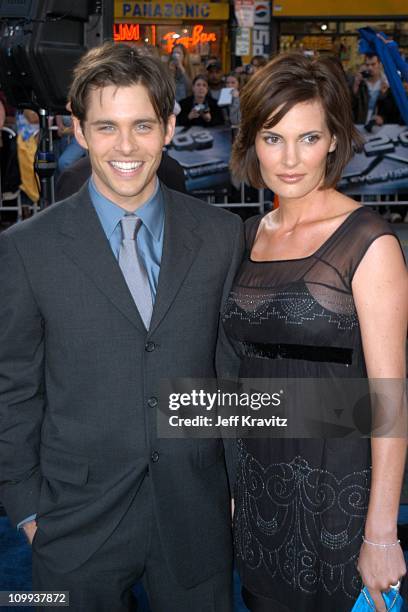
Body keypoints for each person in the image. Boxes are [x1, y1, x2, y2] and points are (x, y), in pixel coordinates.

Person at [0, 42, 244, 612]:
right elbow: (13, 389)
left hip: (196, 514)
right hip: (71, 526)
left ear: (169, 127)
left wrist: (234, 486)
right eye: (106, 127)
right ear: (79, 132)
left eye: (142, 125)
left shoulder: (222, 235)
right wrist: (29, 509)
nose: (126, 146)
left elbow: (228, 374)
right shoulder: (24, 249)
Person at [223, 52, 407, 612]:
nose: (290, 159)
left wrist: (381, 533)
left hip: (339, 490)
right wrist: (232, 485)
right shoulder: (247, 235)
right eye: (273, 138)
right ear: (252, 141)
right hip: (257, 489)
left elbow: (390, 401)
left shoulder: (369, 243)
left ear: (334, 140)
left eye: (308, 138)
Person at [351, 53, 389, 125]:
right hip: (360, 124)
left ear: (379, 64)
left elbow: (390, 109)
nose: (370, 68)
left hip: (377, 126)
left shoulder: (386, 83)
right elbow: (351, 105)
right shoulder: (361, 83)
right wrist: (356, 85)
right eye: (367, 65)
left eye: (373, 64)